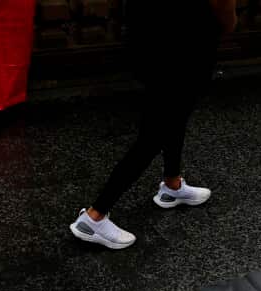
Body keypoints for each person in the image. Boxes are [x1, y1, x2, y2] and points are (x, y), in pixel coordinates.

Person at [69, 0, 237, 249]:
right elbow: (223, 6)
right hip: (186, 44)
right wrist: (228, 22)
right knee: (155, 133)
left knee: (175, 116)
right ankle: (95, 216)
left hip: (150, 38)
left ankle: (172, 184)